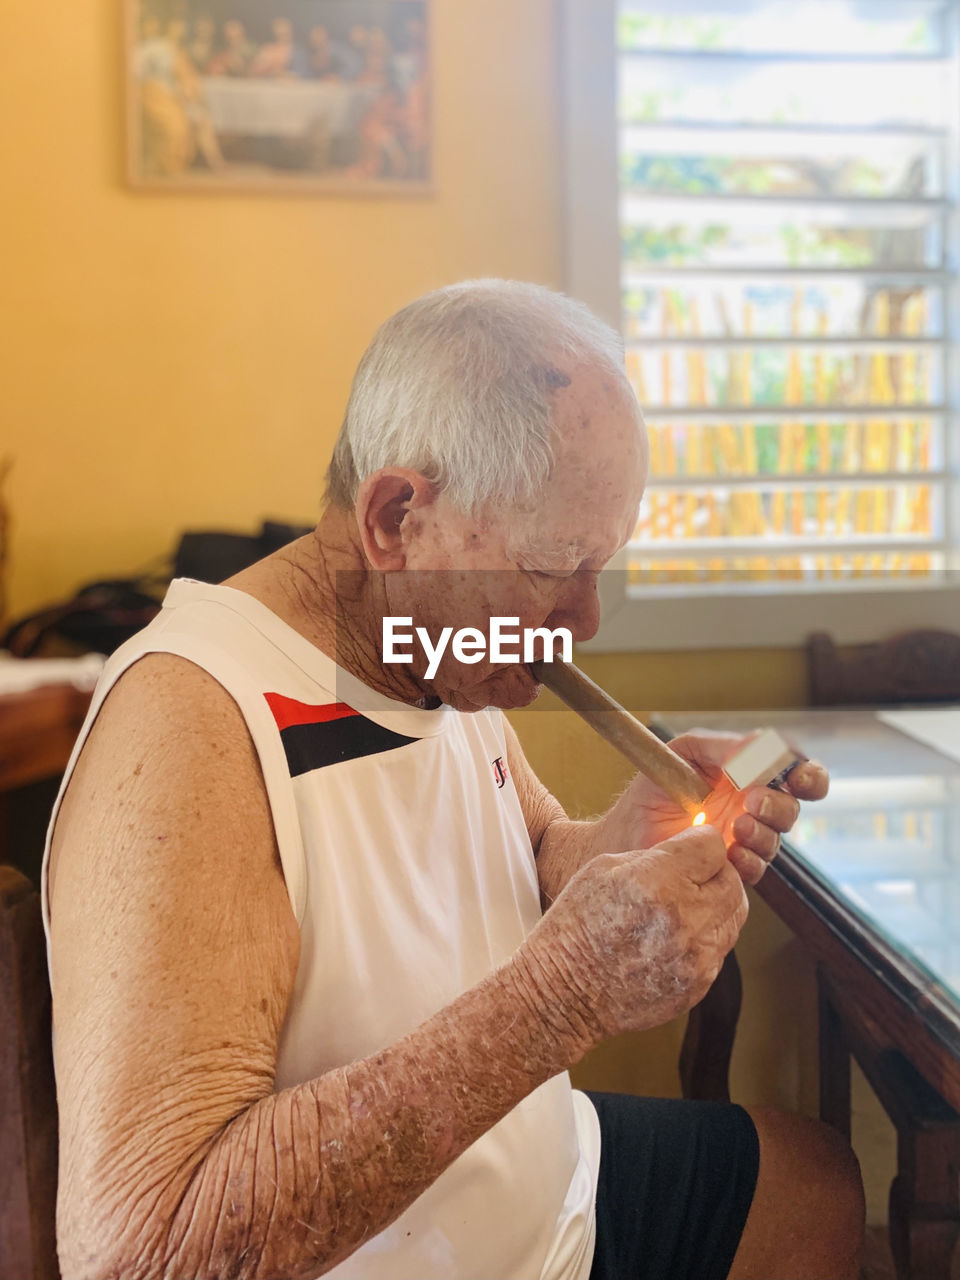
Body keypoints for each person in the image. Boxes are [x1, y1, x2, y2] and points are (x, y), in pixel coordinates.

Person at [43, 280, 864, 1280]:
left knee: (818, 1182)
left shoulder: (431, 650)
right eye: (550, 566)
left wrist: (621, 839)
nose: (584, 621)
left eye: (598, 565)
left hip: (544, 1187)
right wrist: (563, 994)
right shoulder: (195, 723)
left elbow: (513, 865)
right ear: (397, 516)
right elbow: (142, 1246)